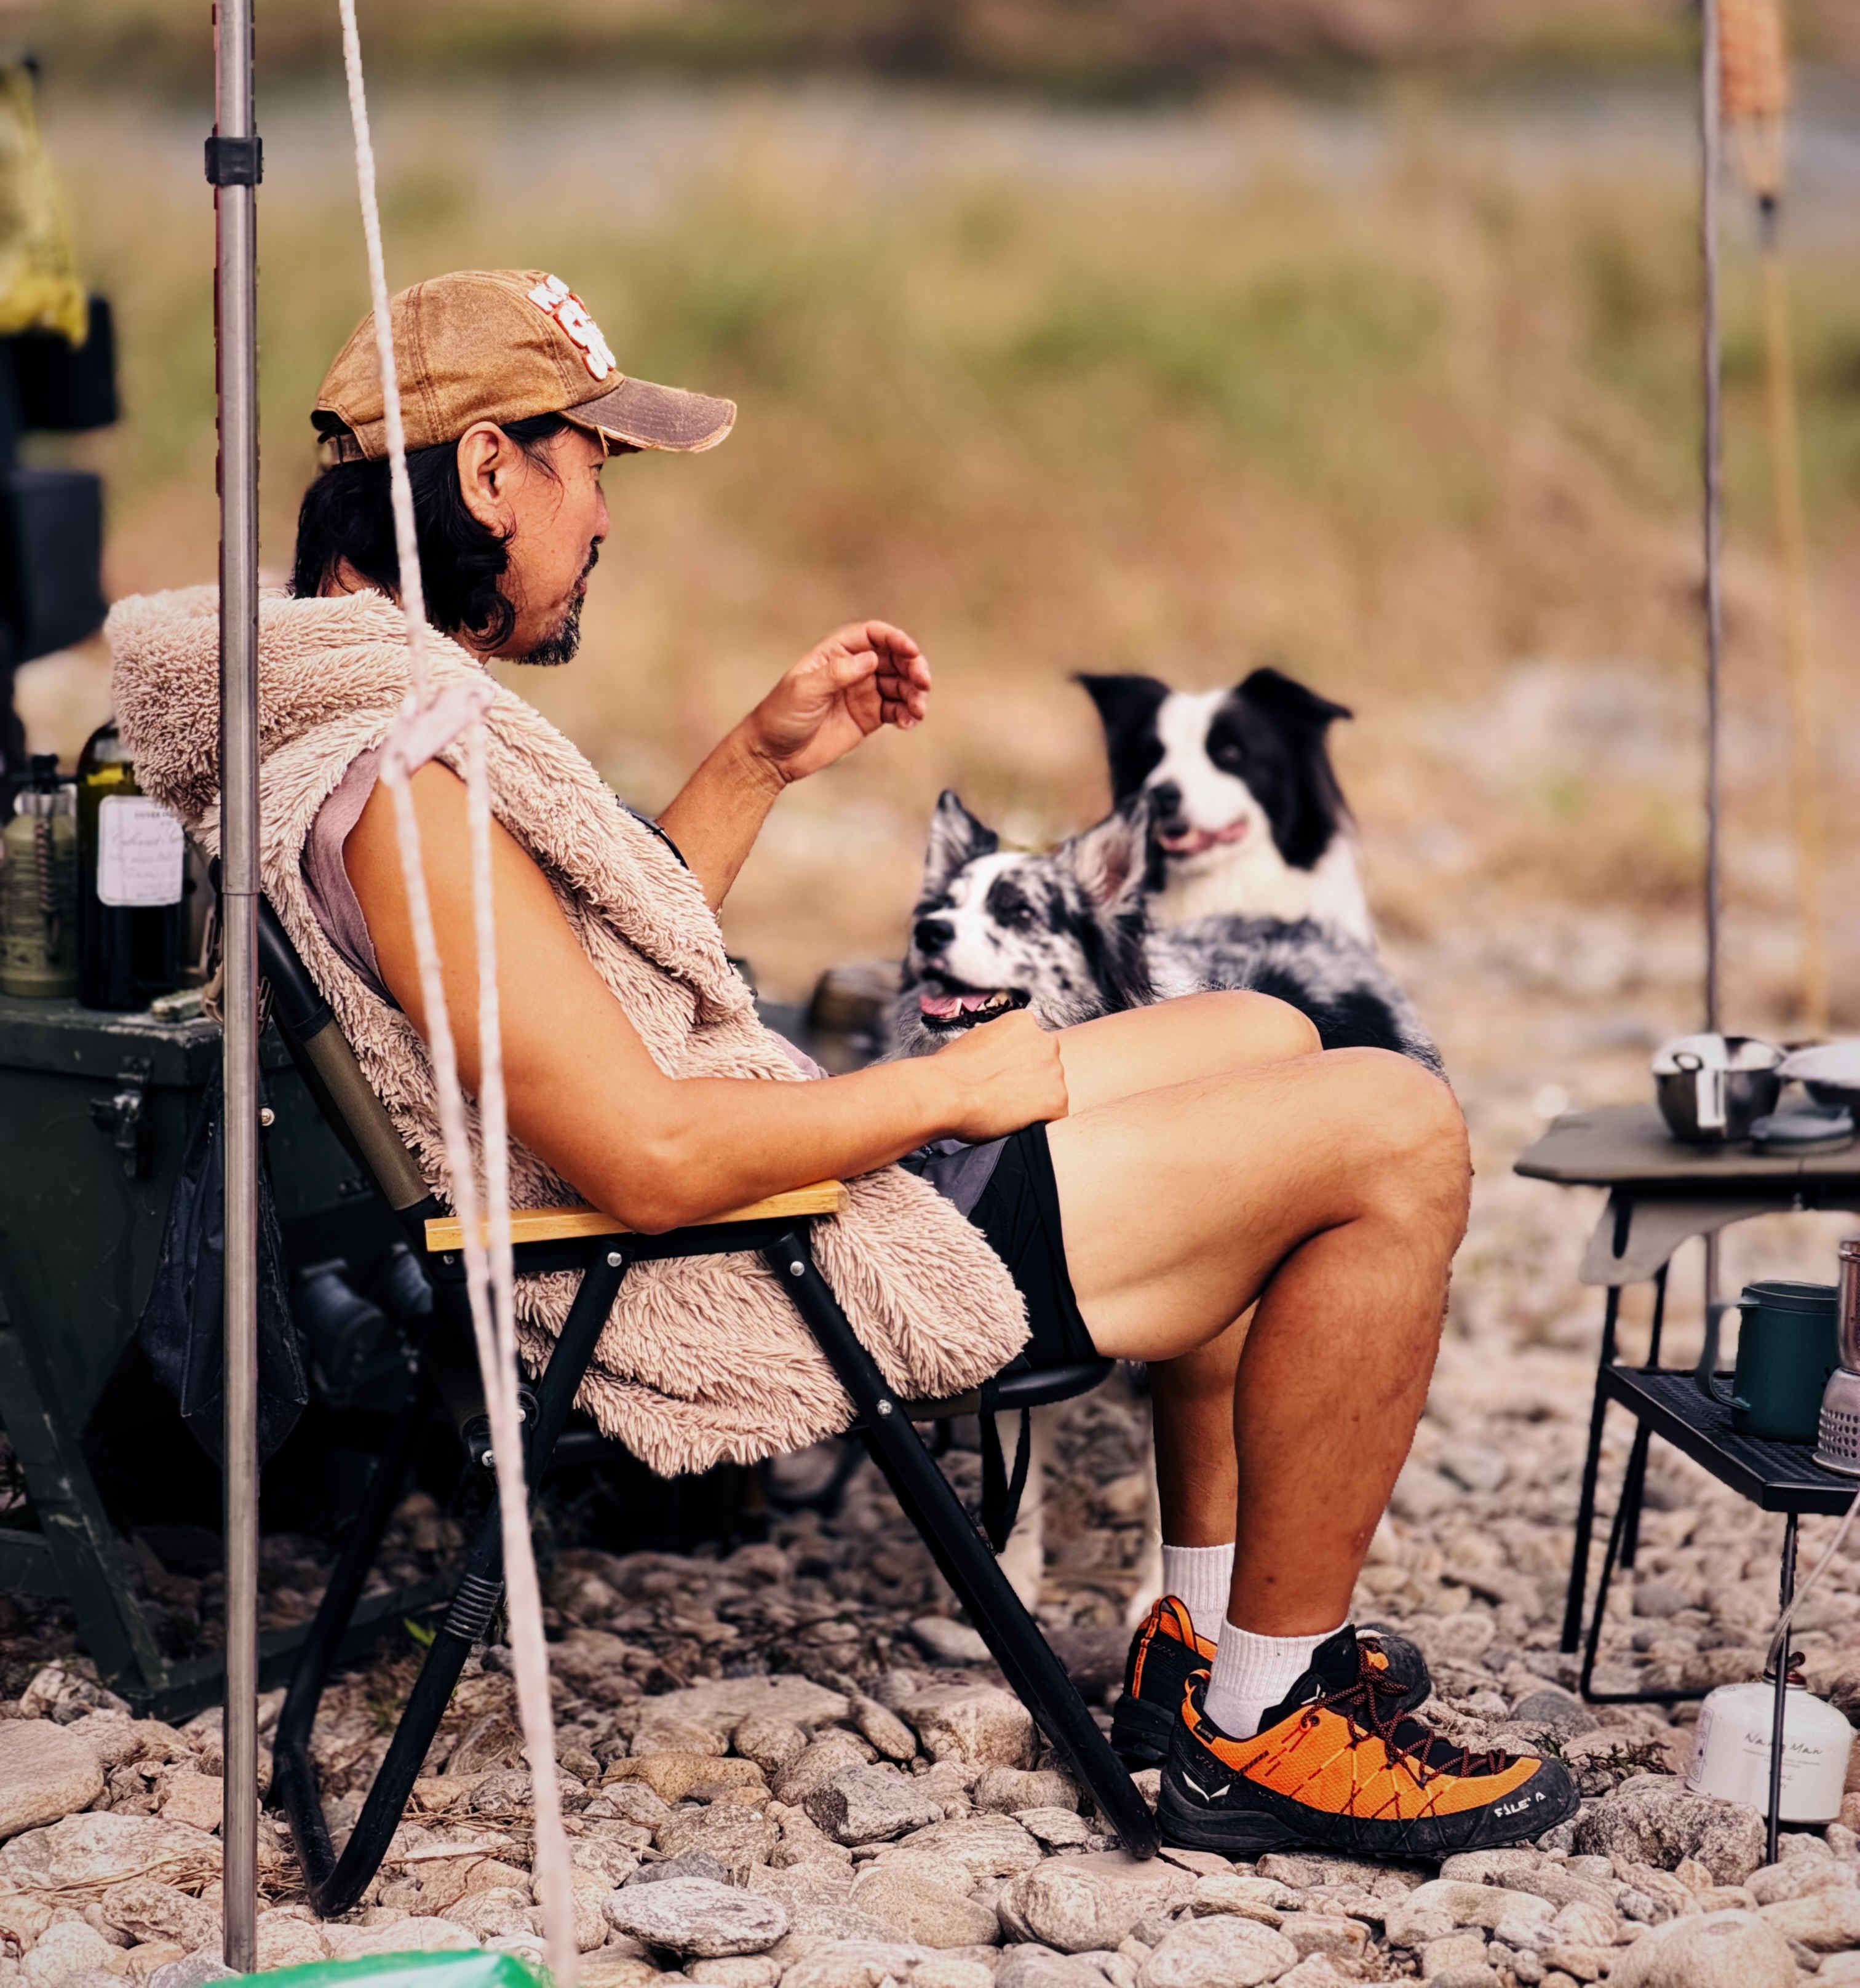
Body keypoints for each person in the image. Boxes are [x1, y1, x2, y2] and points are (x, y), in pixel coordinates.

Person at [291, 268, 1576, 1859]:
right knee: (1391, 1127)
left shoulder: (373, 727)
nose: (605, 517)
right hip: (756, 1256)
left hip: (753, 1185)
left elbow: (590, 990)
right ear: (492, 469)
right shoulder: (406, 785)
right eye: (593, 466)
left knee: (1270, 1034)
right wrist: (951, 1091)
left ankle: (1194, 1637)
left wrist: (757, 761)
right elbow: (646, 1160)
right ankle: (1264, 1726)